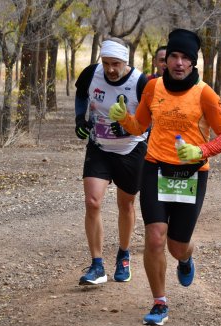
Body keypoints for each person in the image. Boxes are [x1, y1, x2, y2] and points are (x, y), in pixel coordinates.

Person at [109, 28, 221, 325]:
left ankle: (186, 256)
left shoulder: (205, 93)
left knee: (176, 245)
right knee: (154, 238)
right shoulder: (153, 88)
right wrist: (122, 119)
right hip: (155, 168)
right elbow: (139, 126)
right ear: (166, 61)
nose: (178, 63)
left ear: (193, 63)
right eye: (174, 57)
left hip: (191, 172)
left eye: (185, 58)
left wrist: (201, 151)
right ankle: (159, 302)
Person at [74, 37, 148, 285]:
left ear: (125, 61)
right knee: (92, 202)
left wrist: (127, 128)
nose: (110, 69)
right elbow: (80, 95)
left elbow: (150, 120)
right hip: (99, 148)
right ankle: (97, 265)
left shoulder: (140, 82)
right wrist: (79, 121)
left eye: (115, 64)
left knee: (126, 206)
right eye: (106, 63)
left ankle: (124, 255)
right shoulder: (91, 74)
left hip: (131, 149)